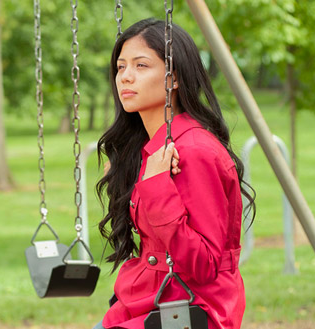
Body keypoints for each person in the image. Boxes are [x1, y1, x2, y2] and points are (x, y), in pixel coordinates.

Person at [95, 18, 255, 329]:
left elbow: (204, 264)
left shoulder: (193, 150)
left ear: (174, 78)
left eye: (141, 66)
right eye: (121, 67)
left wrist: (155, 188)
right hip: (149, 299)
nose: (126, 77)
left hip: (191, 308)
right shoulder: (150, 147)